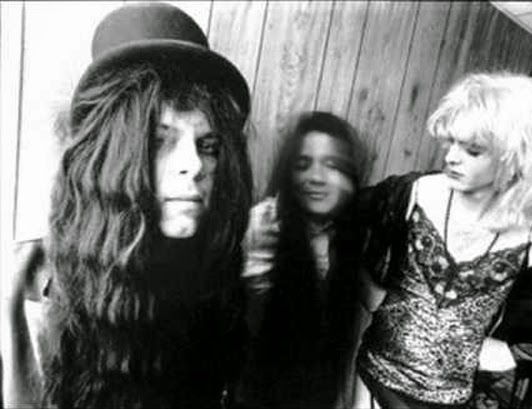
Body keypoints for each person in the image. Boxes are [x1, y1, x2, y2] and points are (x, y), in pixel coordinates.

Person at [1, 3, 253, 408]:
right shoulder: (19, 292)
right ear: (110, 156)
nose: (194, 165)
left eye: (208, 145)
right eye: (160, 141)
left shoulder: (215, 282)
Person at [355, 72, 532, 408]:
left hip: (454, 398)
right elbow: (340, 220)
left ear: (512, 156)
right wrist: (370, 292)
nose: (451, 157)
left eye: (473, 150)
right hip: (375, 378)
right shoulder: (415, 192)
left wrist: (514, 354)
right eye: (450, 142)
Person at [236, 111, 369, 408]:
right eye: (303, 164)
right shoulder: (264, 226)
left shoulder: (350, 238)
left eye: (332, 165)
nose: (316, 178)